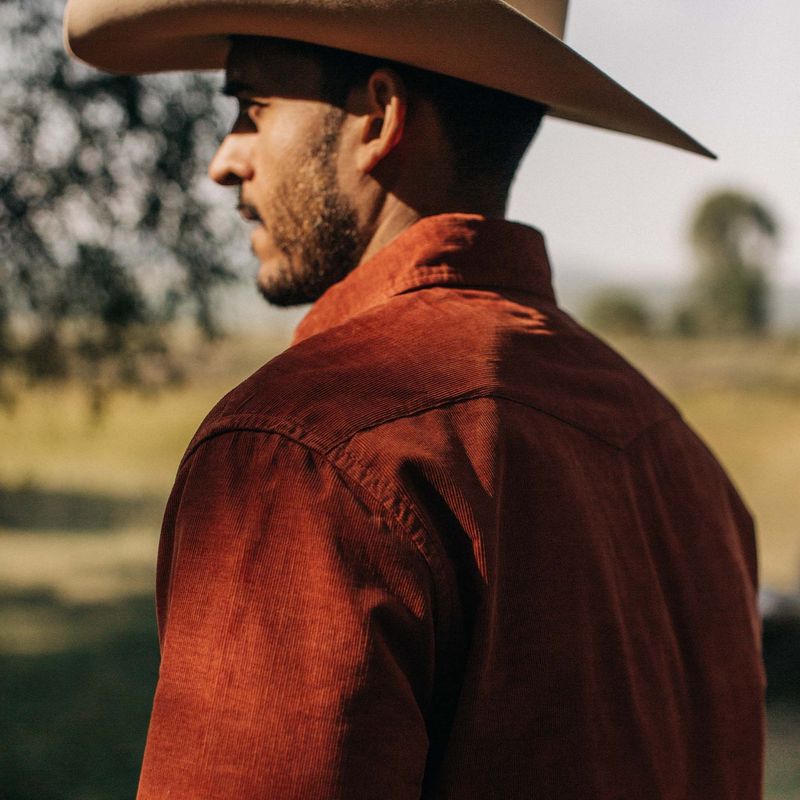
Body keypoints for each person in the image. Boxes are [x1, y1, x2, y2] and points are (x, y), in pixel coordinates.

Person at [65, 1, 765, 798]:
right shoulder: (685, 465)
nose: (226, 160)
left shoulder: (302, 454)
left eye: (253, 107)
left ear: (379, 116)